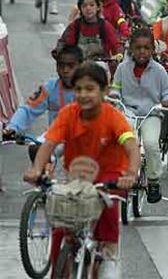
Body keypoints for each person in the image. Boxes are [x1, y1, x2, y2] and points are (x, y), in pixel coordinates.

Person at [23, 61, 140, 278]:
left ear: (104, 91)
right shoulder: (68, 114)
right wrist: (36, 169)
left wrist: (131, 175)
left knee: (107, 205)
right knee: (62, 223)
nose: (83, 94)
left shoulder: (113, 117)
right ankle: (59, 268)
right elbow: (48, 143)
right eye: (78, 89)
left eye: (90, 89)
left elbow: (131, 146)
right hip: (77, 175)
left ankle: (109, 254)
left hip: (111, 175)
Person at [110, 27, 168, 203]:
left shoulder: (159, 70)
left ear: (153, 50)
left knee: (151, 143)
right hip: (128, 111)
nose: (142, 52)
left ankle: (153, 180)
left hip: (151, 113)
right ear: (131, 49)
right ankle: (123, 173)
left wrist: (167, 101)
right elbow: (115, 87)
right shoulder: (122, 68)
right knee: (126, 142)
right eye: (138, 48)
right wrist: (114, 95)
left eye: (146, 48)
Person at [3, 45, 83, 141]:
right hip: (55, 141)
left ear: (81, 66)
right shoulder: (50, 87)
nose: (65, 70)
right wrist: (13, 126)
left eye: (71, 66)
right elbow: (28, 109)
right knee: (34, 149)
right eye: (61, 65)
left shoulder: (90, 88)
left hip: (83, 140)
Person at [56, 0, 123, 61]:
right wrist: (61, 53)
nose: (88, 8)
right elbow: (65, 44)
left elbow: (116, 43)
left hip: (101, 66)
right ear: (80, 9)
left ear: (98, 7)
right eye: (84, 6)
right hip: (79, 65)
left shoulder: (104, 25)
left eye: (92, 5)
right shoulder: (75, 26)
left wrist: (119, 55)